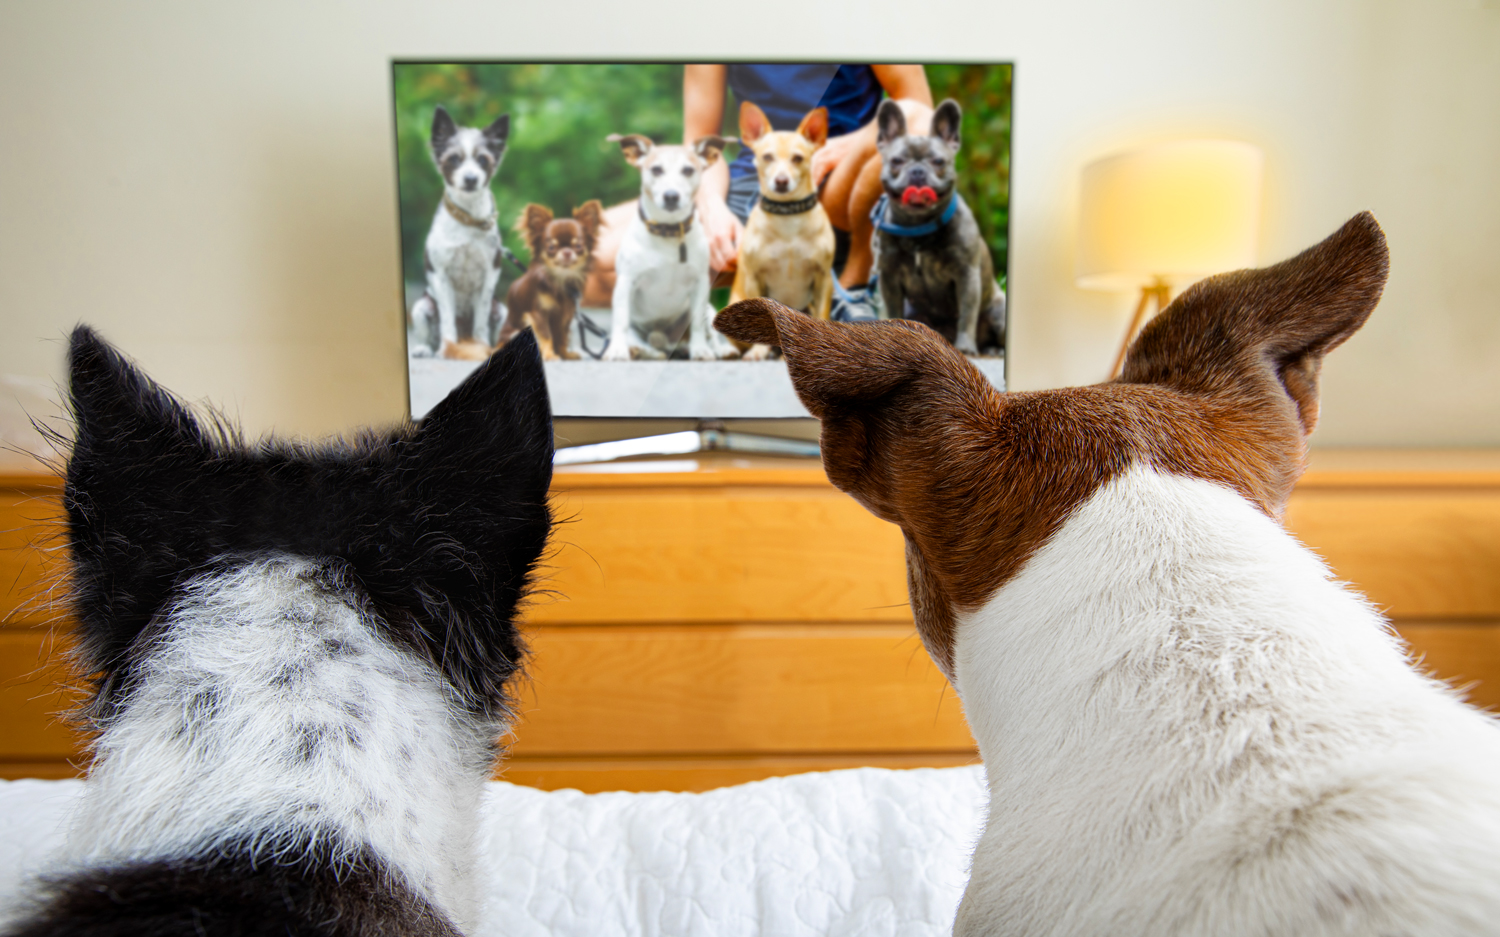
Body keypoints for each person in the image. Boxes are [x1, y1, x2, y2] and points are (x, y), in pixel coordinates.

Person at [583, 64, 933, 320]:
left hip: (840, 179)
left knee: (913, 118)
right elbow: (701, 141)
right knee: (588, 262)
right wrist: (712, 208)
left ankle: (854, 288)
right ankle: (750, 300)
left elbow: (922, 110)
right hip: (756, 181)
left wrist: (837, 151)